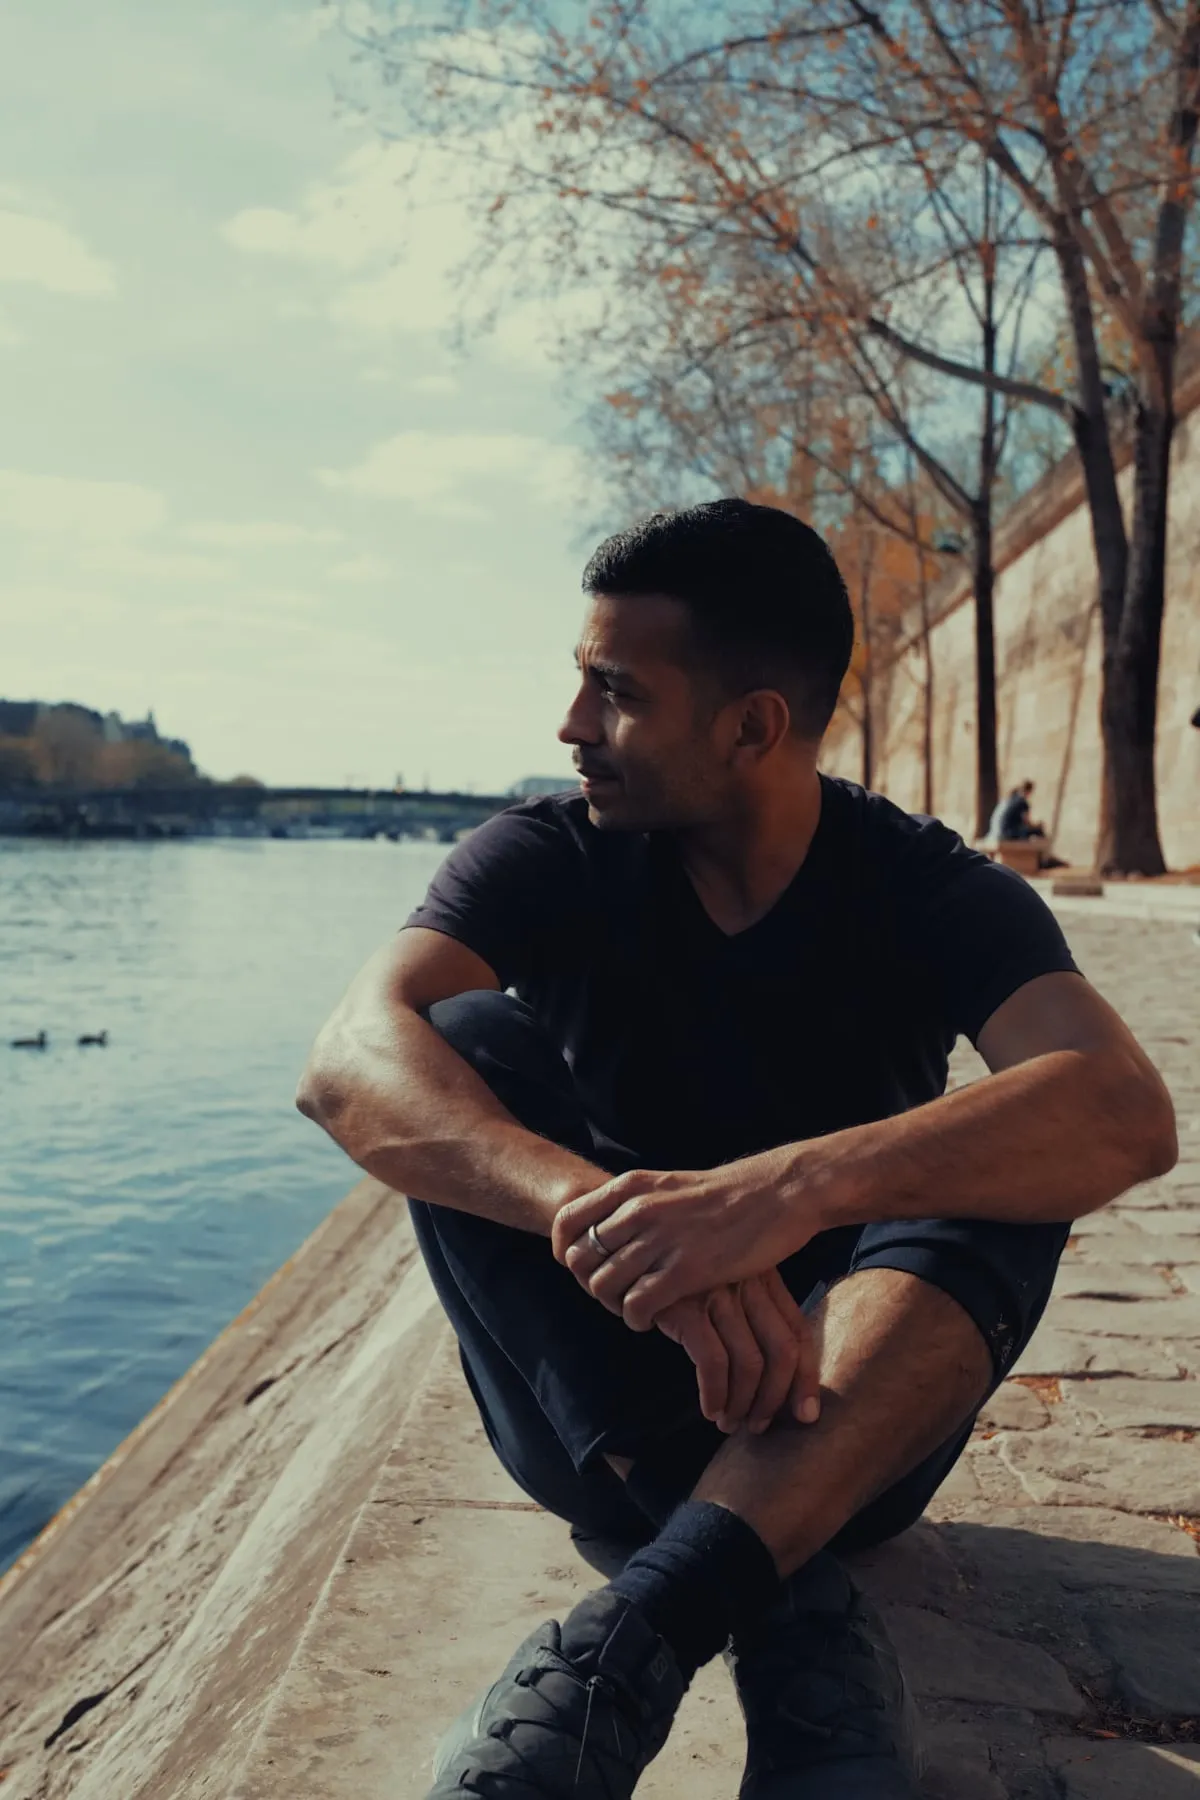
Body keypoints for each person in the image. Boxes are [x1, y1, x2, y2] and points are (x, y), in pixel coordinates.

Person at [298, 500, 1176, 1800]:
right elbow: (346, 1061)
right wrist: (622, 1227)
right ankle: (789, 1612)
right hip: (597, 1429)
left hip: (850, 1427)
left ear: (753, 726)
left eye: (615, 692)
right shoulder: (547, 853)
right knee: (458, 1040)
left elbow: (1125, 1111)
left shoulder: (925, 884)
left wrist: (783, 1195)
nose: (572, 725)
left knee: (1015, 1146)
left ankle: (630, 1644)